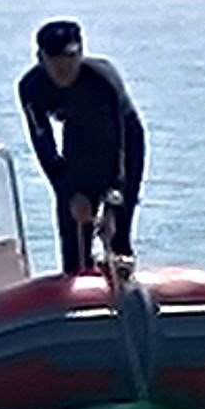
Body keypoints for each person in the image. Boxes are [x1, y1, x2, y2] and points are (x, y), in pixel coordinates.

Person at [17, 19, 146, 276]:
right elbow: (45, 146)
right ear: (40, 58)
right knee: (74, 233)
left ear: (81, 53)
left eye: (70, 57)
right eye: (54, 59)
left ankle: (121, 266)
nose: (63, 67)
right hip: (76, 138)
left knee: (117, 230)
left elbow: (118, 150)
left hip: (123, 140)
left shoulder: (102, 79)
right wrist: (70, 193)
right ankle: (79, 275)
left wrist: (113, 203)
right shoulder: (31, 87)